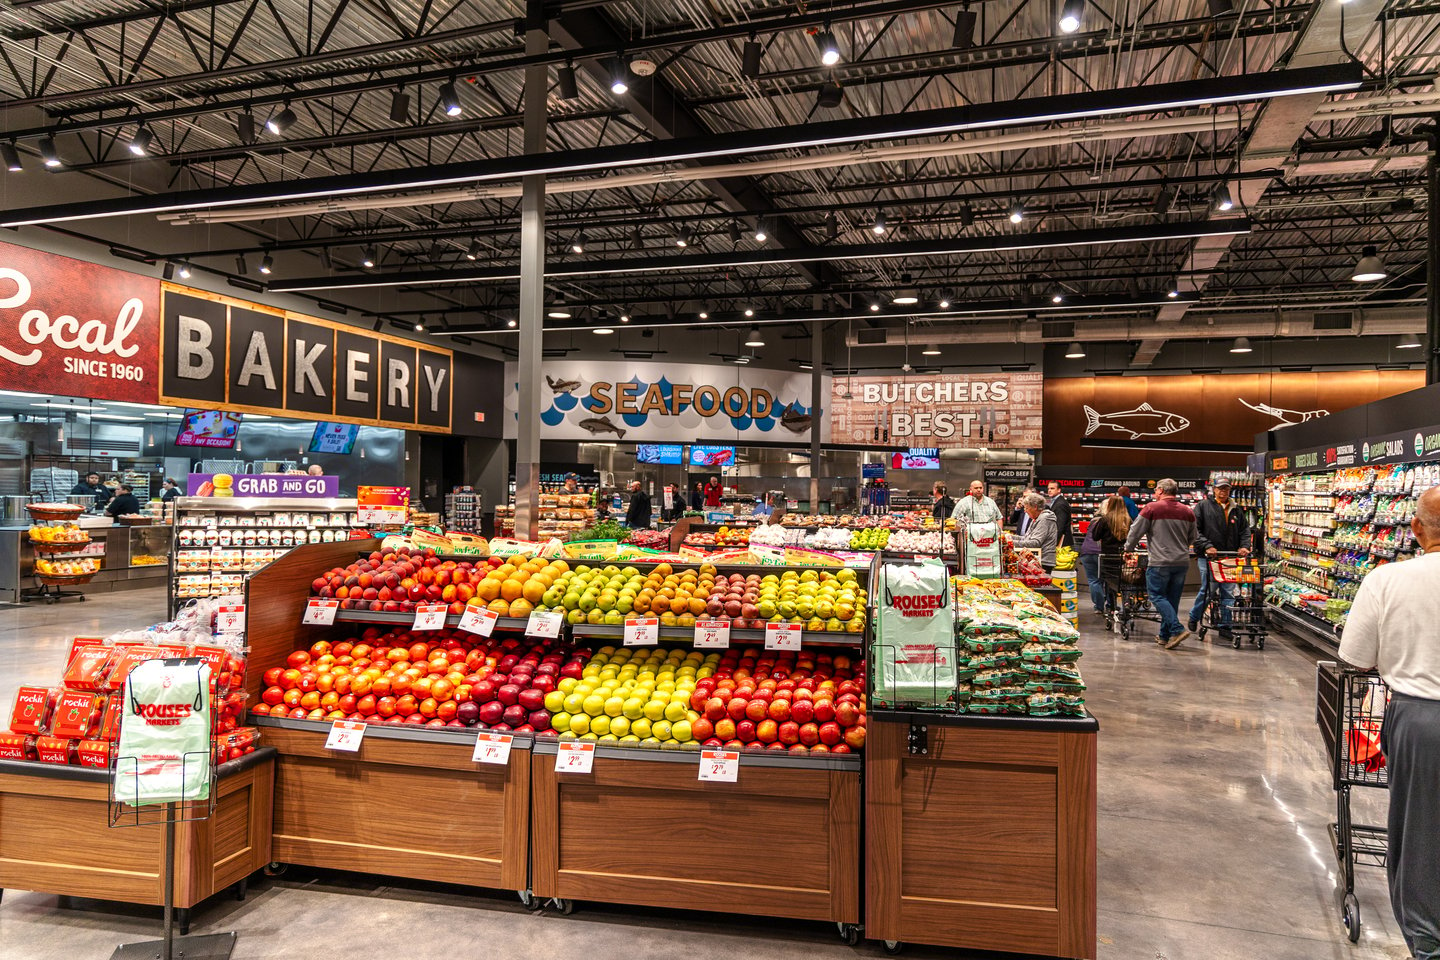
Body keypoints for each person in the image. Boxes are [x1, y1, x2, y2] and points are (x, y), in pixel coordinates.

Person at [1339, 485, 1440, 960]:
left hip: (1420, 720)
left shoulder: (1388, 579)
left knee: (1421, 834)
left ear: (1416, 528)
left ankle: (1427, 943)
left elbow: (1354, 657)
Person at [1123, 477, 1198, 649]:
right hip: (1181, 562)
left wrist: (1128, 548)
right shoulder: (1187, 511)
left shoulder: (1151, 508)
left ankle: (1177, 629)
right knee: (1172, 600)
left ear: (1161, 491)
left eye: (1156, 490)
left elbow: (1135, 530)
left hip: (1159, 562)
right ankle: (1165, 636)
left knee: (1156, 595)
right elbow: (1194, 537)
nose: (1154, 493)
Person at [1188, 479, 1251, 640]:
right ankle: (1194, 616)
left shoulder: (1236, 509)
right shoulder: (1203, 506)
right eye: (1220, 488)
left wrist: (1244, 546)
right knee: (1208, 590)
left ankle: (1226, 626)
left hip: (1230, 557)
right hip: (1209, 557)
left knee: (1228, 593)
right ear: (1214, 490)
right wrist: (1207, 546)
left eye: (1226, 489)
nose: (1223, 491)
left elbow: (1244, 530)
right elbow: (1195, 530)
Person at [1080, 495, 1131, 614]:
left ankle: (1100, 607)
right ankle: (1116, 605)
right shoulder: (1128, 520)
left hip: (1102, 554)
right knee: (1117, 582)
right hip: (1119, 556)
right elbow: (1131, 537)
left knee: (1096, 580)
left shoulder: (1103, 519)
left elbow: (1095, 536)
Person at [1014, 491, 1059, 569]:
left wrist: (1010, 543)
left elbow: (1035, 543)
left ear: (1035, 507)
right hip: (1035, 560)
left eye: (1026, 508)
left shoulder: (1044, 519)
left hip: (1043, 562)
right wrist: (1008, 537)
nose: (1025, 510)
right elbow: (1026, 538)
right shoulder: (1036, 518)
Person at [1046, 481, 1074, 549]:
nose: (1049, 490)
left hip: (1062, 543)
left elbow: (1059, 527)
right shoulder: (1056, 501)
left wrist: (1051, 544)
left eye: (1052, 488)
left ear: (1059, 490)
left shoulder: (1060, 504)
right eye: (1048, 488)